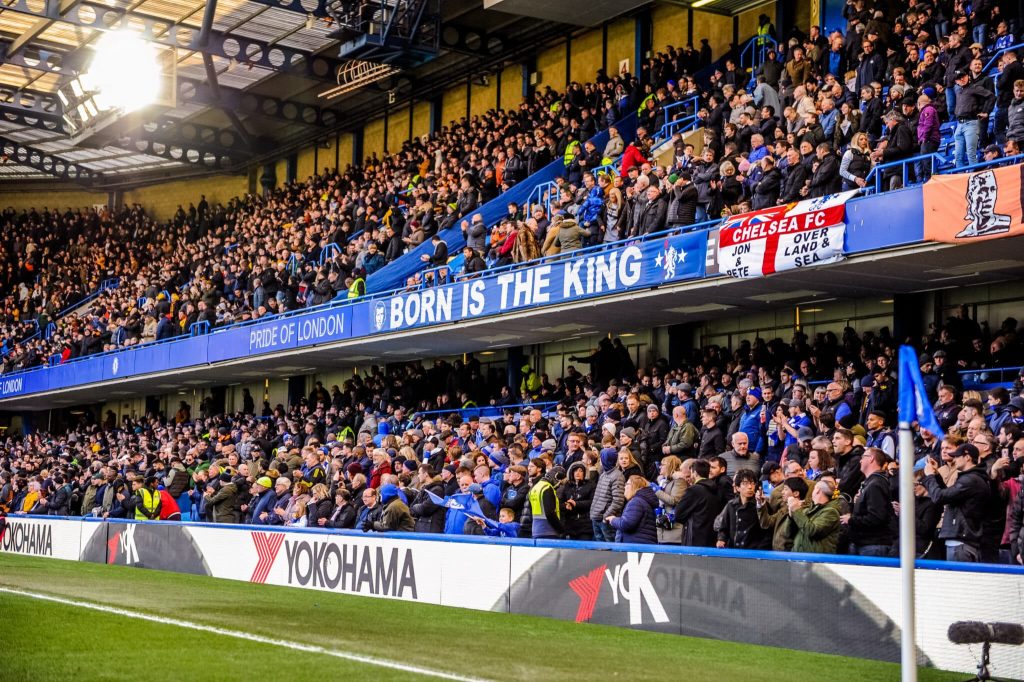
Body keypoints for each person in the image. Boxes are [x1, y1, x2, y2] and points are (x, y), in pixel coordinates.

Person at [922, 443, 992, 562]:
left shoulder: (969, 480)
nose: (954, 459)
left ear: (967, 457)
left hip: (961, 541)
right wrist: (937, 475)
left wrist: (929, 477)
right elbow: (949, 496)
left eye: (957, 456)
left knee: (958, 579)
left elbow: (939, 497)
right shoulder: (974, 478)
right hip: (965, 540)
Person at [843, 448, 895, 557]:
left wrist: (851, 520)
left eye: (863, 457)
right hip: (866, 543)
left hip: (872, 545)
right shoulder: (872, 483)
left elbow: (876, 517)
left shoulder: (875, 484)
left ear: (871, 459)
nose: (860, 461)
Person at [674, 459, 726, 547]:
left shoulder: (694, 490)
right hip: (711, 539)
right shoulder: (717, 489)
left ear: (695, 473)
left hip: (694, 539)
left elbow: (678, 514)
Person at [716, 468, 770, 549]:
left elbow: (768, 531)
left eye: (752, 483)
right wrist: (721, 539)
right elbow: (724, 528)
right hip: (734, 551)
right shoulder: (731, 505)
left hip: (754, 552)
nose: (750, 487)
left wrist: (759, 549)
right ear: (737, 487)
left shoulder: (761, 505)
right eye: (745, 483)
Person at [790, 479, 841, 554]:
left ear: (817, 490)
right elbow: (793, 530)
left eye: (814, 488)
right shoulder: (810, 509)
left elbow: (812, 531)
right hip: (801, 557)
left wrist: (797, 510)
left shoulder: (831, 512)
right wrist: (791, 515)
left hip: (817, 561)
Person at [606, 475, 658, 544]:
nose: (624, 487)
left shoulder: (636, 502)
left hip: (636, 547)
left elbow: (626, 524)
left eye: (627, 484)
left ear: (634, 486)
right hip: (643, 545)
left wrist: (613, 520)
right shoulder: (643, 501)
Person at [590, 447, 625, 542]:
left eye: (601, 457)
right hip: (596, 517)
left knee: (610, 549)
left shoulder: (617, 476)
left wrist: (605, 517)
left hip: (606, 521)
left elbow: (618, 501)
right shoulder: (603, 474)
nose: (599, 460)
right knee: (600, 549)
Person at [559, 462, 595, 540]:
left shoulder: (591, 485)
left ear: (584, 473)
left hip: (585, 526)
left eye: (580, 471)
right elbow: (560, 503)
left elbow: (592, 502)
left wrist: (576, 504)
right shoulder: (567, 486)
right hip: (570, 526)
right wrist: (566, 506)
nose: (577, 473)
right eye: (575, 471)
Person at [529, 464, 565, 539]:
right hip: (549, 531)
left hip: (536, 530)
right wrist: (560, 529)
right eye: (560, 482)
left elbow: (530, 510)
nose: (559, 485)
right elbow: (550, 512)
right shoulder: (547, 488)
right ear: (556, 478)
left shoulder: (535, 487)